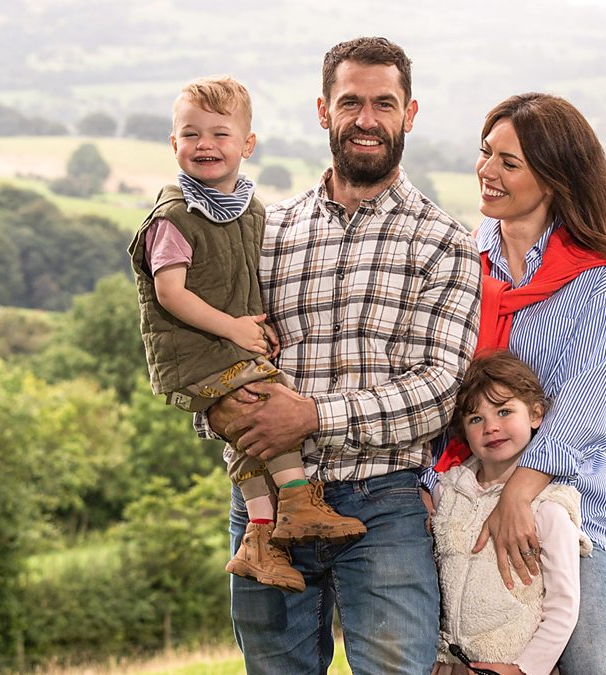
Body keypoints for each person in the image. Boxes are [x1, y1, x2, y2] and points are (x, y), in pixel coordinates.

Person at [199, 37, 481, 674]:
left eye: (385, 104)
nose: (366, 119)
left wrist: (312, 417)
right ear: (324, 111)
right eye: (350, 102)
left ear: (410, 115)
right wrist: (226, 417)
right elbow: (214, 355)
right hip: (267, 508)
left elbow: (440, 389)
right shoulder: (267, 233)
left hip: (385, 504)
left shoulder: (444, 242)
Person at [128, 75, 367, 594]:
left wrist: (259, 323)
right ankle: (298, 500)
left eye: (220, 134)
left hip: (228, 344)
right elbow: (170, 293)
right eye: (191, 135)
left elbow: (243, 280)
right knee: (267, 402)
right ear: (173, 144)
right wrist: (234, 328)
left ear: (247, 144)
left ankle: (260, 534)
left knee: (247, 429)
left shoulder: (250, 210)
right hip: (193, 352)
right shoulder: (174, 217)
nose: (205, 145)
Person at [434, 93, 606, 674]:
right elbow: (439, 388)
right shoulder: (460, 263)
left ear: (554, 179)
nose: (487, 170)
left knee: (589, 666)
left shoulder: (601, 283)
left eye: (509, 162)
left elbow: (583, 410)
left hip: (564, 511)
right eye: (486, 153)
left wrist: (517, 496)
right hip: (459, 503)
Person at [430, 351, 591, 675]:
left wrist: (525, 669)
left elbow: (563, 605)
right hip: (451, 665)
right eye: (476, 419)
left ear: (535, 414)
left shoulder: (548, 507)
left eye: (504, 411)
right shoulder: (447, 494)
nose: (491, 427)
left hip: (513, 665)